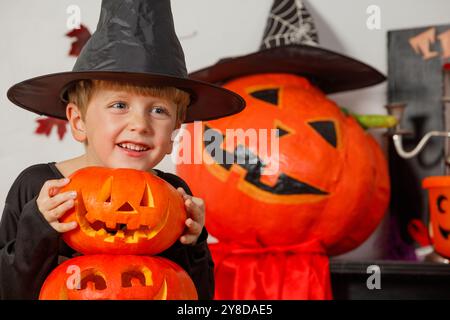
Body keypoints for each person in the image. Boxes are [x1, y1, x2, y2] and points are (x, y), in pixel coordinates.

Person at [0, 0, 245, 300]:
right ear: (78, 121)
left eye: (158, 110)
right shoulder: (37, 188)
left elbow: (195, 298)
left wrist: (194, 243)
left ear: (173, 134)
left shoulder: (174, 194)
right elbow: (9, 290)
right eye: (119, 105)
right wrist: (38, 228)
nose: (140, 124)